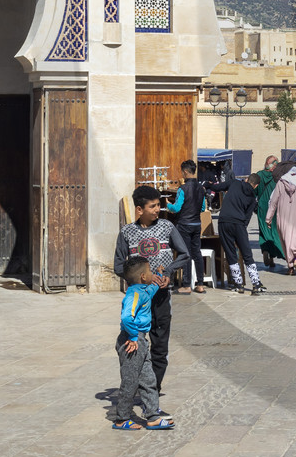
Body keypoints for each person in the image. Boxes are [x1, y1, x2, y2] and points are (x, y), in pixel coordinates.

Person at [113, 185, 183, 394]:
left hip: (161, 296)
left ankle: (153, 389)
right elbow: (118, 266)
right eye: (152, 206)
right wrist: (137, 282)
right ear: (139, 210)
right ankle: (133, 387)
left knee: (160, 347)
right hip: (137, 301)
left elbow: (184, 254)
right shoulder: (126, 232)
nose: (157, 210)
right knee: (133, 344)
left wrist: (168, 272)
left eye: (158, 205)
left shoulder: (168, 227)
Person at [108, 256, 174, 430]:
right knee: (130, 381)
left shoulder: (143, 290)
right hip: (132, 341)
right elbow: (126, 317)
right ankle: (121, 418)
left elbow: (152, 290)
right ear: (143, 276)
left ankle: (152, 416)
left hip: (141, 341)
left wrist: (159, 275)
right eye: (150, 271)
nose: (152, 273)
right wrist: (132, 336)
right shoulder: (134, 294)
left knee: (148, 379)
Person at [217, 172, 265, 295]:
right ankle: (256, 283)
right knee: (247, 254)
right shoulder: (252, 198)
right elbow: (247, 218)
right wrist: (241, 233)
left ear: (247, 179)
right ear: (256, 185)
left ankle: (238, 284)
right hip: (239, 224)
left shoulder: (234, 183)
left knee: (230, 253)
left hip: (224, 221)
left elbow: (218, 187)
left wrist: (207, 185)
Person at [265, 161, 296, 275]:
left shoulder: (281, 182)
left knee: (286, 241)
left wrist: (268, 218)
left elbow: (273, 202)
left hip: (283, 217)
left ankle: (290, 267)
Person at [166, 160, 208, 294]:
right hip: (197, 224)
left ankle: (186, 285)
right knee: (197, 253)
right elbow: (202, 208)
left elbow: (176, 208)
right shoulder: (201, 189)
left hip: (184, 224)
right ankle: (200, 284)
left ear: (185, 171)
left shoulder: (182, 189)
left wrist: (167, 204)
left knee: (186, 254)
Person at [253, 156, 286, 271]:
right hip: (275, 208)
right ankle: (278, 254)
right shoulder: (278, 177)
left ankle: (266, 251)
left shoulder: (259, 175)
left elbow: (254, 191)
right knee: (274, 231)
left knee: (263, 231)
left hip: (262, 208)